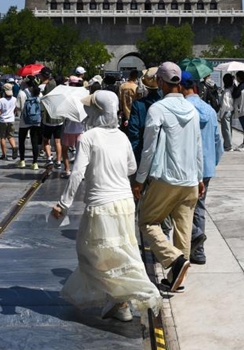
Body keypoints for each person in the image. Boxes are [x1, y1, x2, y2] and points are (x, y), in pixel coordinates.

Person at [51, 90, 162, 322]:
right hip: (124, 203)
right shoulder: (121, 136)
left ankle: (141, 292)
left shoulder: (89, 137)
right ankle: (119, 302)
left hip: (101, 205)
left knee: (90, 254)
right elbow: (132, 168)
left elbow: (78, 172)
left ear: (98, 111)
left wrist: (64, 203)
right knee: (122, 253)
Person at [132, 62, 203, 292]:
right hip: (190, 178)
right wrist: (200, 177)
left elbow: (149, 148)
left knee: (147, 221)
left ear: (161, 82)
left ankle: (174, 260)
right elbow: (198, 146)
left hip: (165, 177)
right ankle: (176, 279)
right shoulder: (192, 109)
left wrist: (140, 179)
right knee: (183, 229)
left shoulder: (158, 109)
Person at [182, 71, 223, 266]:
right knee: (199, 207)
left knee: (177, 205)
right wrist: (211, 164)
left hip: (186, 166)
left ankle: (194, 237)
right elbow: (218, 142)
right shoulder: (209, 110)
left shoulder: (183, 109)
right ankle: (198, 252)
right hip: (205, 168)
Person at [127, 67, 161, 163]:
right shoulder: (165, 103)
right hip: (162, 154)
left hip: (141, 150)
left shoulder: (138, 104)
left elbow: (133, 131)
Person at [40, 67, 65, 168]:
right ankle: (58, 161)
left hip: (49, 118)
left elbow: (45, 98)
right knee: (58, 141)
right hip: (59, 118)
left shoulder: (49, 85)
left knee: (46, 140)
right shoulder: (61, 88)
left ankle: (49, 158)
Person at [16, 80, 42, 170]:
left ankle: (22, 161)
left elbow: (18, 107)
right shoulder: (39, 93)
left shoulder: (22, 93)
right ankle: (35, 163)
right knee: (34, 141)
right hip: (36, 120)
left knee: (21, 140)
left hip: (24, 121)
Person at [0, 83, 18, 160]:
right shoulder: (15, 99)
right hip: (11, 120)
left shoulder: (1, 100)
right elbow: (16, 110)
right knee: (10, 136)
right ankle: (14, 147)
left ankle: (4, 154)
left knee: (2, 137)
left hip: (3, 120)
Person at [218, 73, 235, 151]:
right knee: (229, 128)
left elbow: (225, 104)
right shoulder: (232, 90)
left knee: (226, 129)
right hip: (231, 111)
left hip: (226, 111)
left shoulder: (226, 92)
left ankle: (228, 145)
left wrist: (221, 114)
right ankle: (228, 144)